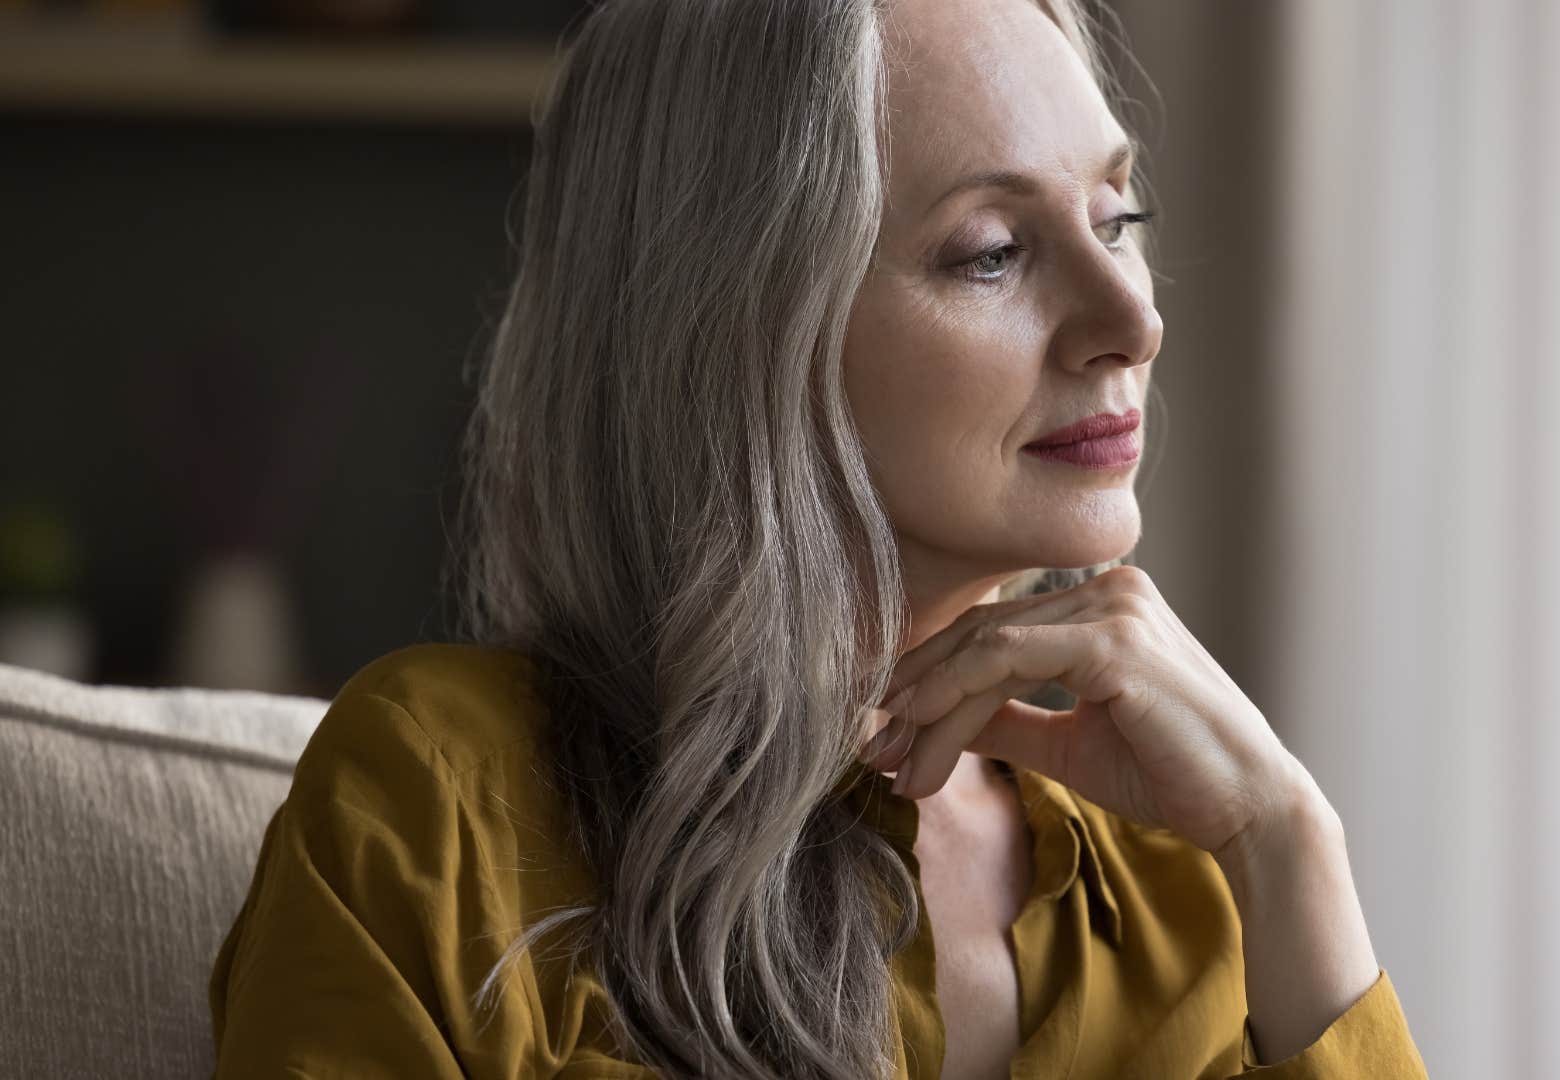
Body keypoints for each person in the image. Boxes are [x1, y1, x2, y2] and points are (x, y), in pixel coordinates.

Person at [207, 0, 1430, 1076]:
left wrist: (1291, 844)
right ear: (736, 325)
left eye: (1117, 218)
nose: (1132, 319)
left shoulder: (1187, 888)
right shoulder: (439, 807)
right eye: (994, 253)